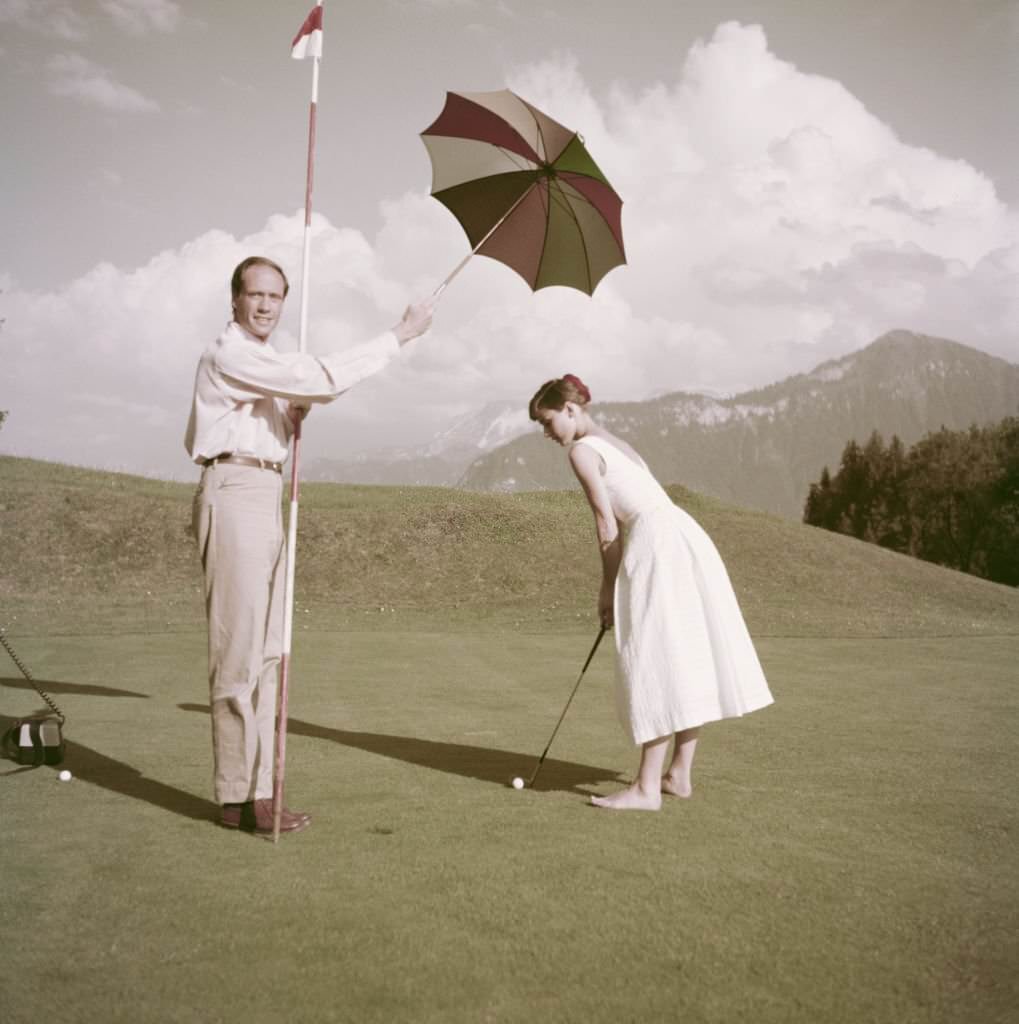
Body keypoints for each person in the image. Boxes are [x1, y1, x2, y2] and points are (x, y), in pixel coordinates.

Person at [185, 255, 432, 836]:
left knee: (269, 652)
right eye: (256, 295)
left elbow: (312, 388)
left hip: (265, 490)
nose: (267, 305)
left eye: (276, 296)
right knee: (239, 651)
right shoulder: (230, 353)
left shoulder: (266, 365)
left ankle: (262, 793)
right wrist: (399, 335)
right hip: (233, 485)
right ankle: (233, 797)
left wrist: (292, 416)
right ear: (236, 300)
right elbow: (319, 376)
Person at [529, 374, 773, 811]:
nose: (547, 433)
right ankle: (678, 774)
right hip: (683, 535)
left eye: (547, 422)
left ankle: (645, 789)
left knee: (655, 653)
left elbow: (607, 525)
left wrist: (607, 588)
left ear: (569, 410)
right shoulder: (617, 442)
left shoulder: (583, 452)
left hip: (657, 543)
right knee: (682, 651)